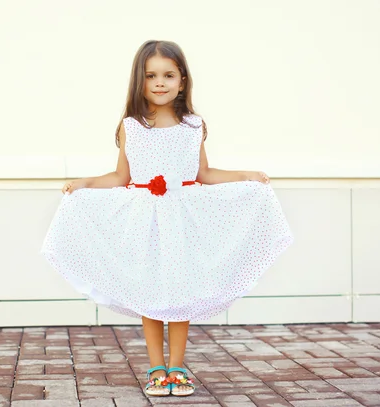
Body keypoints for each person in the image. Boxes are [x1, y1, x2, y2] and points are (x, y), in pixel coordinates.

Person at [41, 40, 293, 397]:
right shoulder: (132, 125)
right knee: (151, 290)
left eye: (168, 75)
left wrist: (245, 175)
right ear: (139, 81)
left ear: (183, 80)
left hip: (182, 220)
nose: (160, 82)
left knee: (180, 289)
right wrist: (83, 183)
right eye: (151, 76)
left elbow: (203, 173)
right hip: (145, 221)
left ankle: (178, 365)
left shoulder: (193, 125)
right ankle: (156, 366)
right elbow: (121, 178)